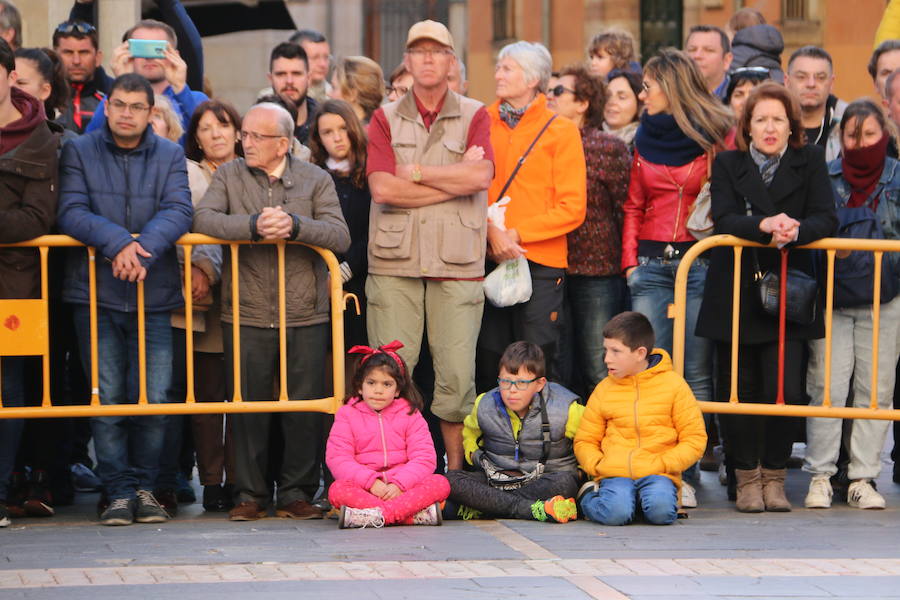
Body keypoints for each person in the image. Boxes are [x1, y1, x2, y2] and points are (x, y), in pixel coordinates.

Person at [193, 102, 350, 521]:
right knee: (247, 407)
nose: (246, 142)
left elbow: (339, 235)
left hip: (305, 310)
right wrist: (252, 227)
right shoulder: (228, 175)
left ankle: (297, 492)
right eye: (245, 134)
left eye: (256, 137)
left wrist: (295, 226)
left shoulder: (316, 179)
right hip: (245, 309)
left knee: (303, 409)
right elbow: (204, 218)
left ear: (283, 143)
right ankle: (250, 493)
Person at [58, 73, 194, 526]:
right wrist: (119, 244)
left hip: (152, 295)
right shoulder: (79, 149)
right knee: (108, 400)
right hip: (95, 294)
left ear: (150, 111)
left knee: (154, 401)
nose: (126, 113)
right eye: (119, 104)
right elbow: (71, 210)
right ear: (108, 105)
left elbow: (178, 209)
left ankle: (146, 488)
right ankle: (116, 492)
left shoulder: (171, 154)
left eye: (136, 106)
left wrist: (142, 249)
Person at [696, 82, 837, 513]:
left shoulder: (809, 160)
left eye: (778, 119)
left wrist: (796, 229)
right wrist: (763, 224)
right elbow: (724, 216)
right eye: (761, 120)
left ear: (792, 125)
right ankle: (745, 478)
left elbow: (826, 217)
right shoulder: (728, 163)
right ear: (747, 126)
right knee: (738, 388)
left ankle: (775, 476)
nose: (770, 128)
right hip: (737, 290)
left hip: (789, 290)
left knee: (786, 388)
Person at [365, 20, 494, 472]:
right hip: (394, 261)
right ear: (406, 60)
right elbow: (382, 189)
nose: (426, 59)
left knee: (457, 377)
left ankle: (455, 476)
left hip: (457, 262)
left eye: (436, 51)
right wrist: (452, 181)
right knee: (387, 373)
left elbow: (480, 177)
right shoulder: (383, 118)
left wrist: (415, 172)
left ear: (451, 60)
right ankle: (388, 470)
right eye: (418, 51)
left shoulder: (476, 114)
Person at [804, 99, 900, 510]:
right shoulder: (824, 177)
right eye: (851, 135)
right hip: (833, 296)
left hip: (887, 296)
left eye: (870, 135)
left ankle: (863, 476)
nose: (860, 143)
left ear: (886, 137)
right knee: (826, 385)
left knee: (875, 390)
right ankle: (821, 475)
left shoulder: (898, 178)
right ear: (839, 138)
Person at [477, 41, 586, 389]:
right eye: (498, 67)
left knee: (537, 360)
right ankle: (494, 439)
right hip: (488, 257)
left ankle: (541, 440)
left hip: (539, 264)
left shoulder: (562, 130)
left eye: (506, 68)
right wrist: (493, 234)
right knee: (489, 358)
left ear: (532, 78)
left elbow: (572, 208)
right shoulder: (481, 122)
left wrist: (517, 235)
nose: (497, 74)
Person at [0, 38, 61, 528]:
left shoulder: (41, 138)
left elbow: (37, 217)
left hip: (15, 285)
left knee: (9, 390)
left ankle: (1, 489)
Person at [575, 311, 707, 525]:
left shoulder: (674, 385)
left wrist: (665, 463)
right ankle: (588, 497)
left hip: (658, 473)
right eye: (606, 350)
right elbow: (585, 439)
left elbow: (694, 439)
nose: (607, 358)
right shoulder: (604, 389)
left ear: (639, 353)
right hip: (615, 472)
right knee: (615, 514)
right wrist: (597, 465)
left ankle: (633, 503)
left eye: (615, 351)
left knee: (662, 513)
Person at [547, 64, 630, 389]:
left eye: (558, 91)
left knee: (599, 364)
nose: (550, 97)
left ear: (582, 103)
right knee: (556, 364)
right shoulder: (544, 143)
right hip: (551, 267)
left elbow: (624, 207)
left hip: (597, 272)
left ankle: (607, 436)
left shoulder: (608, 147)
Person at [177, 99, 242, 512]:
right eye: (206, 127)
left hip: (249, 297)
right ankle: (212, 480)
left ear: (238, 131)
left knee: (243, 398)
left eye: (223, 124)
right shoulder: (184, 173)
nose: (216, 133)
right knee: (206, 397)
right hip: (201, 297)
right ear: (196, 138)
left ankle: (239, 479)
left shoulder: (252, 173)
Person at [446, 342, 582, 522]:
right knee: (451, 480)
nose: (511, 391)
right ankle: (530, 509)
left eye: (521, 383)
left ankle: (486, 507)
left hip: (544, 480)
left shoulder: (567, 408)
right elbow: (470, 434)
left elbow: (589, 440)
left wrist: (582, 473)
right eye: (505, 382)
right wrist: (474, 455)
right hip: (496, 479)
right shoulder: (484, 404)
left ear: (540, 383)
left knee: (564, 483)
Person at [326, 341, 450, 528]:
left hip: (403, 489)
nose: (378, 390)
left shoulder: (410, 414)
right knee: (337, 490)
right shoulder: (347, 414)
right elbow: (339, 459)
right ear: (360, 386)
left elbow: (424, 458)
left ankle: (375, 516)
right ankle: (408, 517)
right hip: (366, 489)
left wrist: (399, 485)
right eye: (371, 383)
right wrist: (371, 483)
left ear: (398, 389)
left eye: (387, 384)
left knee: (440, 483)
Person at [308, 99, 370, 349]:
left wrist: (342, 271)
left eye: (343, 128)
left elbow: (375, 231)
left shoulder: (370, 174)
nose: (337, 138)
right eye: (327, 132)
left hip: (361, 281)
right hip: (319, 285)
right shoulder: (312, 176)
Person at [85, 19, 209, 144]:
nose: (149, 57)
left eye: (157, 49)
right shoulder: (110, 100)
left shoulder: (196, 99)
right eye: (141, 49)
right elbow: (90, 143)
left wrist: (181, 88)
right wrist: (122, 84)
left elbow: (207, 140)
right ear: (127, 53)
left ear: (174, 56)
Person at [785, 46, 846, 162]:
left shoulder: (849, 125)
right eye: (801, 77)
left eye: (820, 78)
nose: (811, 84)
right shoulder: (771, 124)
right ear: (787, 81)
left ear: (831, 83)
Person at [53, 21, 110, 134]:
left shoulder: (112, 99)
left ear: (98, 58)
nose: (76, 61)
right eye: (68, 53)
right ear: (55, 56)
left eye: (84, 53)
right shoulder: (43, 99)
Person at [268, 42, 317, 144]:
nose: (289, 81)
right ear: (270, 79)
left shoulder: (323, 125)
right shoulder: (253, 126)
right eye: (281, 74)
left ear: (309, 78)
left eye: (296, 74)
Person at [14, 48, 70, 122]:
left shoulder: (60, 131)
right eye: (7, 81)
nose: (11, 88)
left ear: (45, 91)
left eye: (21, 83)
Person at [329, 56, 384, 125]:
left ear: (351, 94)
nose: (329, 93)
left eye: (334, 88)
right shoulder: (381, 126)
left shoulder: (357, 134)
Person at [685, 25, 733, 99]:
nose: (697, 56)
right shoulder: (672, 97)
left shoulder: (740, 97)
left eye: (708, 50)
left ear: (726, 60)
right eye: (692, 50)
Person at [603, 68, 642, 153]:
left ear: (639, 103)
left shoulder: (644, 145)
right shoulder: (588, 140)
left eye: (622, 97)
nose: (612, 102)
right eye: (608, 96)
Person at [288, 29, 331, 103]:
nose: (323, 64)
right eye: (315, 58)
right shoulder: (271, 99)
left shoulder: (335, 97)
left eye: (326, 57)